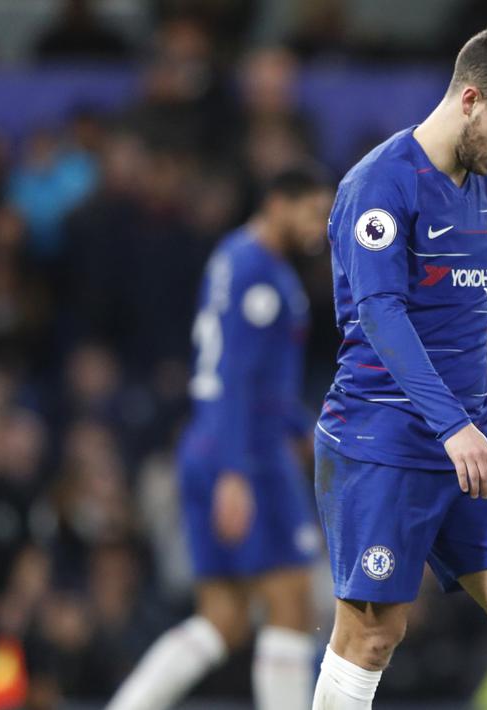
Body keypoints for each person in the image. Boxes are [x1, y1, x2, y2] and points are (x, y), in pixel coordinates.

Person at [311, 27, 487, 710]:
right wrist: (451, 424)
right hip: (384, 441)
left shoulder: (484, 183)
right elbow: (380, 317)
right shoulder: (379, 184)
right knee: (370, 635)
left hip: (469, 441)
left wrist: (467, 424)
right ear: (471, 99)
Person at [105, 165, 333, 710]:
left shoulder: (231, 255)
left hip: (208, 444)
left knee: (224, 619)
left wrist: (304, 431)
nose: (319, 226)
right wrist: (236, 471)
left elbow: (254, 377)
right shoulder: (262, 272)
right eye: (312, 211)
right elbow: (234, 374)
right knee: (292, 603)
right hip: (247, 454)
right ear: (278, 203)